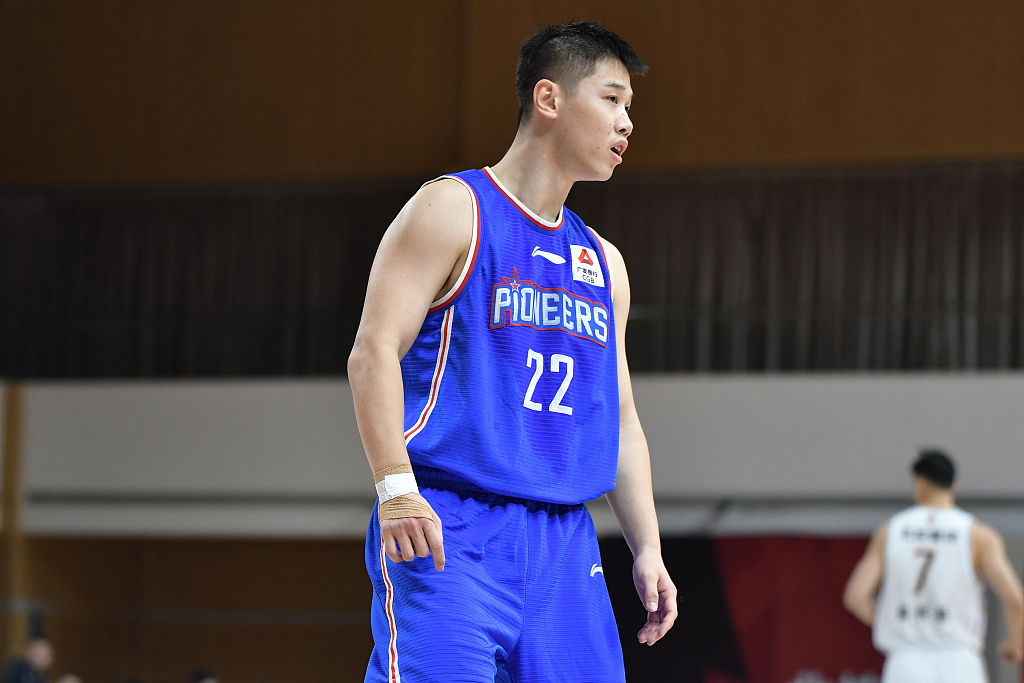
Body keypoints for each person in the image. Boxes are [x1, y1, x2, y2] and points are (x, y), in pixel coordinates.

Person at [348, 20, 678, 683]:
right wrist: (396, 487)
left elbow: (621, 420)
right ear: (549, 98)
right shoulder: (453, 209)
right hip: (451, 522)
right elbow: (374, 351)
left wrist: (647, 546)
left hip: (564, 539)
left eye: (629, 108)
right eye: (612, 99)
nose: (626, 123)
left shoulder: (604, 263)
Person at [843, 449, 1024, 683]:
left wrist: (890, 622)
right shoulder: (977, 534)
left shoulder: (891, 530)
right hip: (959, 660)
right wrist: (1015, 641)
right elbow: (1015, 598)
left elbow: (856, 597)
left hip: (906, 661)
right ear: (954, 487)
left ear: (920, 484)